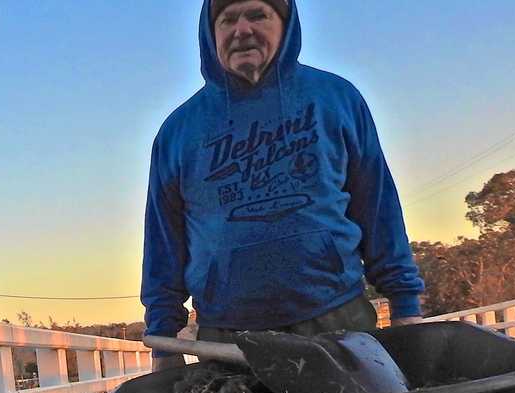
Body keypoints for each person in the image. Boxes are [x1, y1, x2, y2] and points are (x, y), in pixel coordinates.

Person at [143, 0, 426, 372]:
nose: (242, 29)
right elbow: (164, 244)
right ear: (211, 36)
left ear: (286, 24)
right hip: (229, 339)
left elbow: (379, 209)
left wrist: (406, 306)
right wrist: (163, 340)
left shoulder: (337, 99)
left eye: (257, 14)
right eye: (227, 19)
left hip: (337, 320)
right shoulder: (177, 132)